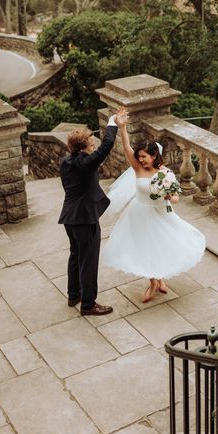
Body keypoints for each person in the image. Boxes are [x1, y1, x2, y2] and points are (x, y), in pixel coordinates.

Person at [101, 112, 206, 303]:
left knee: (161, 245)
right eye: (139, 157)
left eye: (144, 157)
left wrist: (167, 195)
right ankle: (153, 283)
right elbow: (126, 147)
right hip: (139, 212)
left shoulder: (166, 174)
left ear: (154, 155)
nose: (141, 160)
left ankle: (160, 278)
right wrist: (122, 127)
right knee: (144, 247)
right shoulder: (137, 168)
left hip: (160, 213)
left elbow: (175, 198)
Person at [58, 109, 127, 315]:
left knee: (75, 256)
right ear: (83, 148)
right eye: (90, 142)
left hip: (70, 218)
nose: (93, 143)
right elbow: (106, 146)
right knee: (88, 261)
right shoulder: (85, 163)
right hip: (84, 219)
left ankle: (74, 295)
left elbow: (99, 150)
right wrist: (112, 121)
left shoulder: (66, 161)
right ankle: (88, 304)